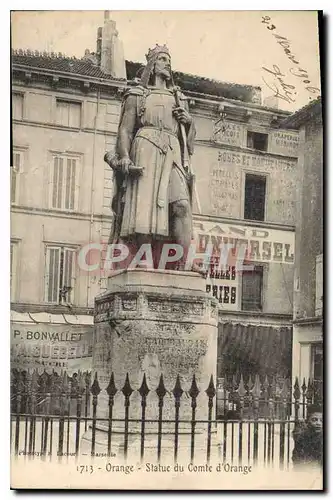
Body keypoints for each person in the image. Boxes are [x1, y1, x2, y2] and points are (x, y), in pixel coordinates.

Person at [104, 44, 202, 272]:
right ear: (151, 64)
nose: (167, 63)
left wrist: (189, 121)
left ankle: (184, 261)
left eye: (169, 59)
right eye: (162, 59)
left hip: (173, 151)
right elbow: (125, 130)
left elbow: (188, 138)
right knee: (143, 207)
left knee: (181, 205)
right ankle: (144, 259)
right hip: (145, 148)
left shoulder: (179, 98)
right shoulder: (137, 95)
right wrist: (126, 157)